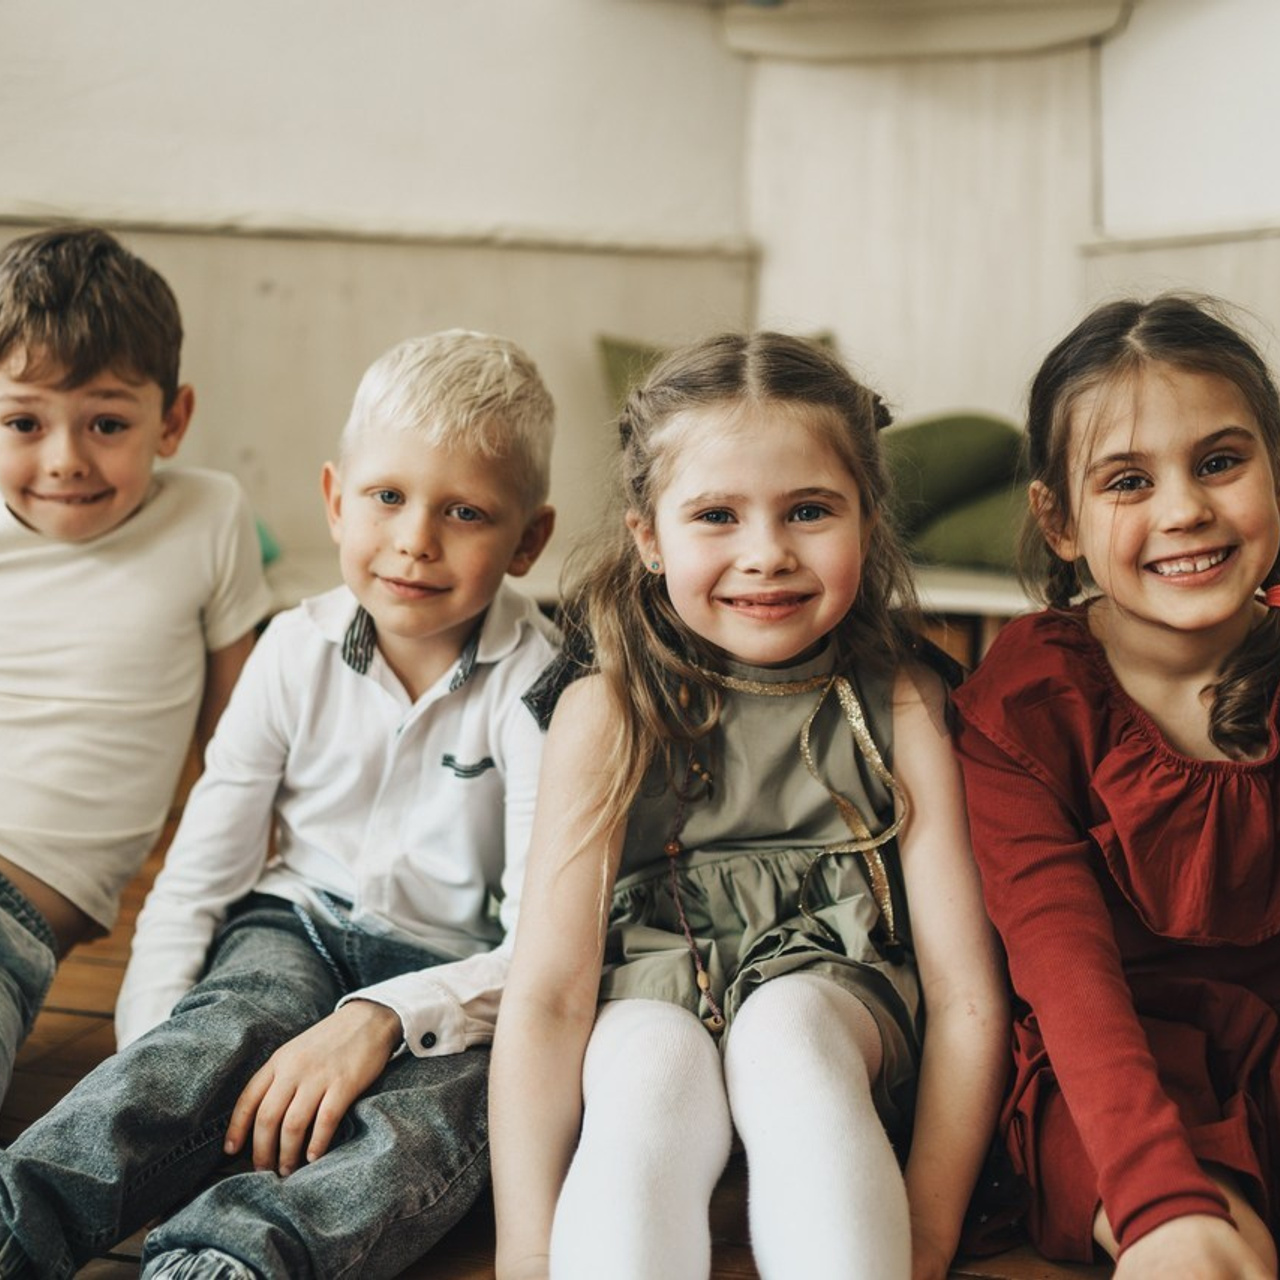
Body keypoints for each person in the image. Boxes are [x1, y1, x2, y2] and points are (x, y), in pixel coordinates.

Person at [0, 330, 559, 1280]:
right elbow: (195, 883)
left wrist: (385, 1014)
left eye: (465, 511)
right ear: (336, 500)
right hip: (293, 928)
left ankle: (231, 1262)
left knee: (429, 1127)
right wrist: (160, 1059)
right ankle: (19, 1223)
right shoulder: (292, 652)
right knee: (217, 1033)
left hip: (462, 979)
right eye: (387, 498)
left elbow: (545, 950)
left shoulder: (547, 691)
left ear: (529, 540)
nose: (416, 540)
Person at [490, 331, 1007, 1280]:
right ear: (649, 536)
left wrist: (930, 1235)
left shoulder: (903, 704)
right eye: (717, 515)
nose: (766, 554)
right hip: (646, 1004)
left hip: (838, 1014)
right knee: (651, 1067)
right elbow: (550, 997)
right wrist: (525, 1251)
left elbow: (967, 995)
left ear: (868, 519)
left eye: (808, 510)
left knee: (787, 1032)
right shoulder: (605, 713)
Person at [951, 294, 1280, 1279]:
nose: (1183, 510)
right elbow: (1068, 982)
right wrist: (1158, 1202)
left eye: (1219, 462)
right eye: (1128, 480)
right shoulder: (1025, 702)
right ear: (1057, 520)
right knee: (1205, 1256)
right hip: (1113, 1084)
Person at [0, 226, 269, 1100]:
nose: (65, 460)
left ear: (173, 421)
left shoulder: (209, 516)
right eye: (23, 422)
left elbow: (242, 745)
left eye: (107, 423)